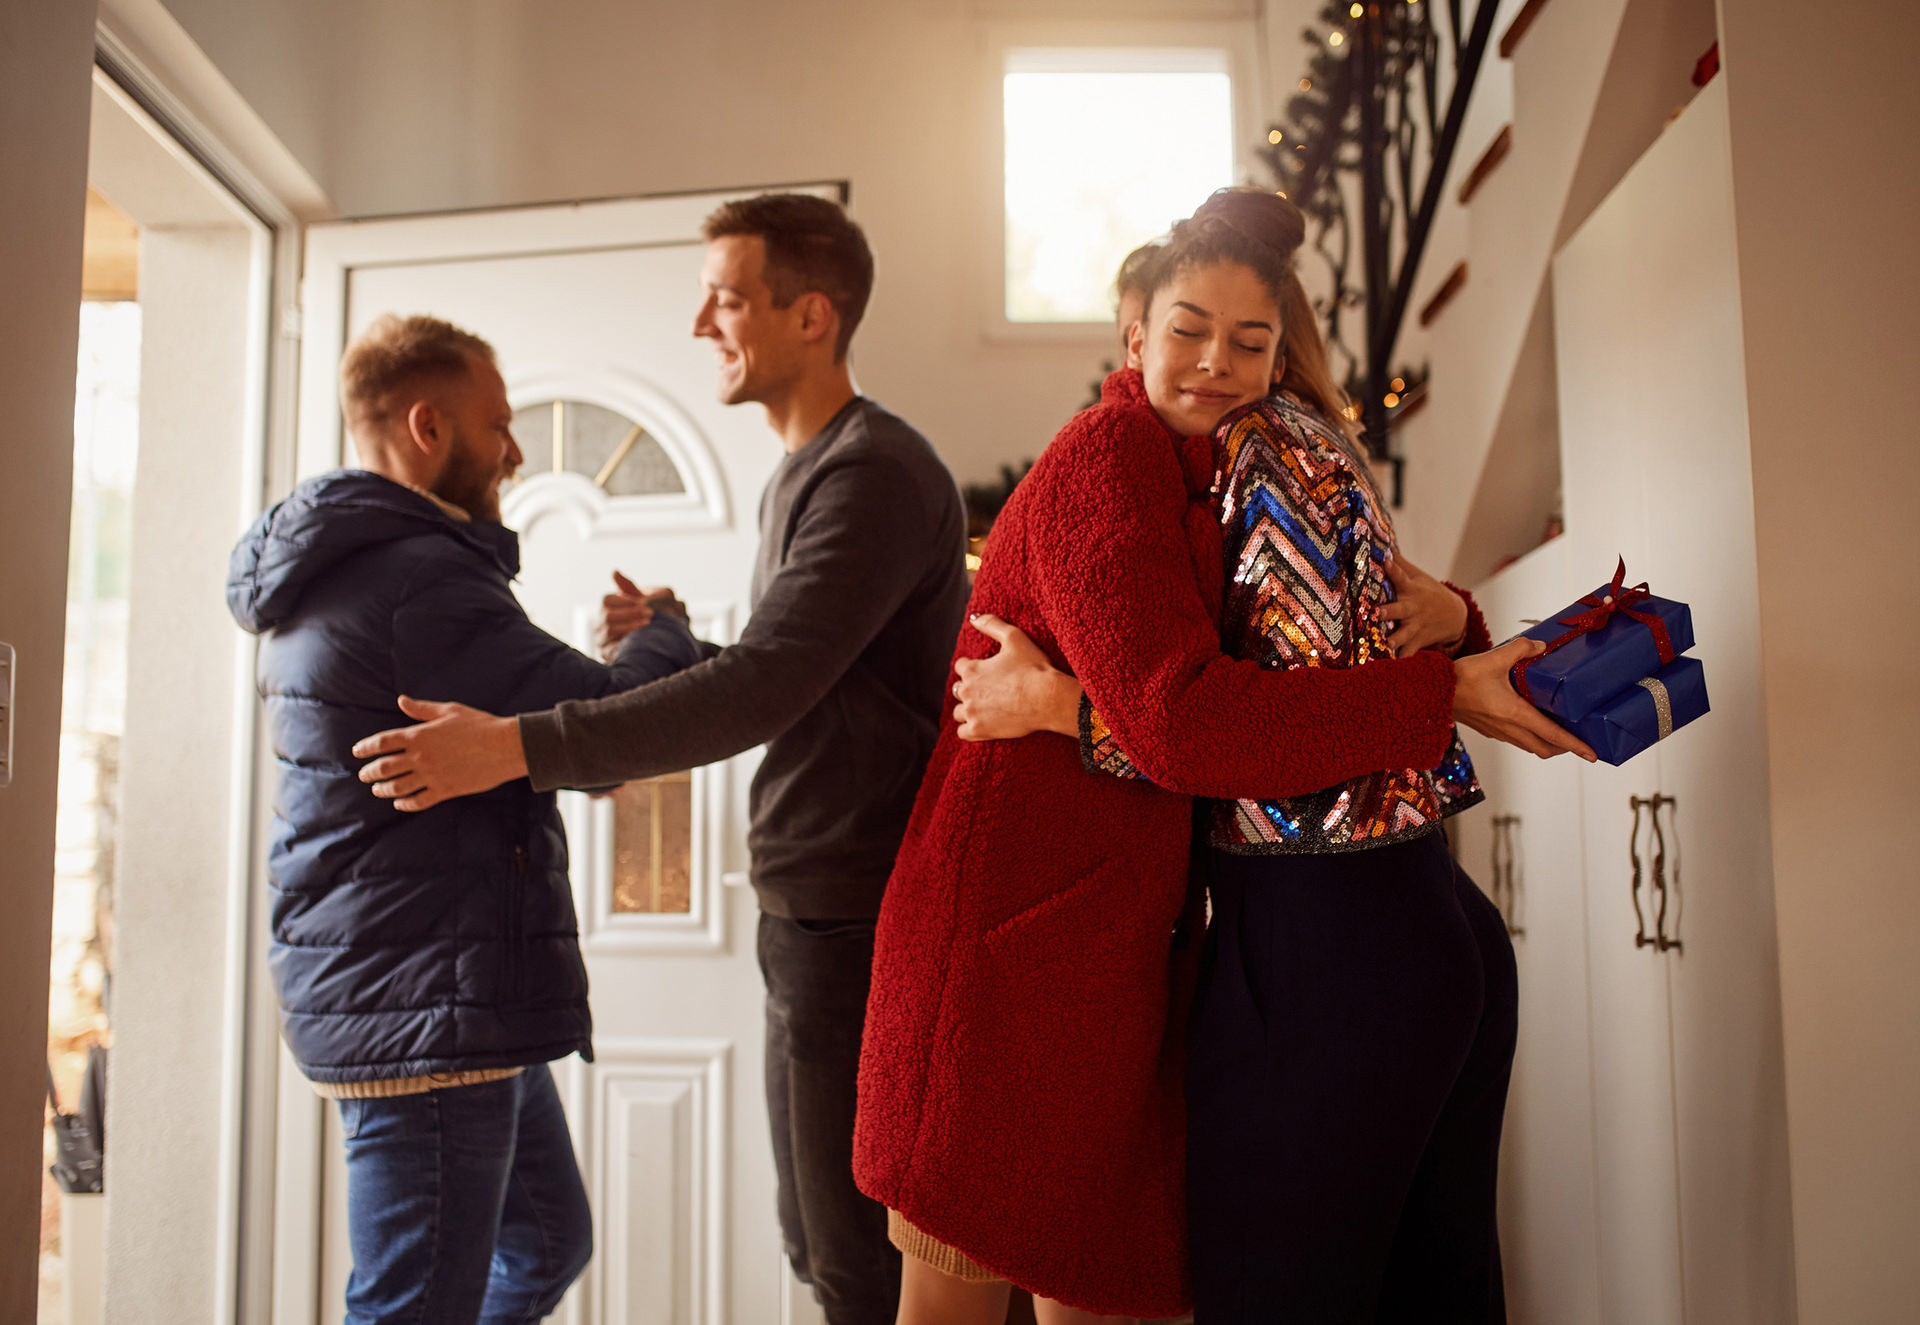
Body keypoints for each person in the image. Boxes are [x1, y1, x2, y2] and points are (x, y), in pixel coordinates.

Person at [850, 190, 1591, 1323]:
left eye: (1250, 341)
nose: (1214, 362)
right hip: (1009, 958)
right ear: (1134, 331)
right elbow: (1185, 722)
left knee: (1109, 1287)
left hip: (1121, 955)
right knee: (965, 1292)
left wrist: (1456, 627)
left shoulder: (1258, 464)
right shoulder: (1109, 455)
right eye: (1188, 329)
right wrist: (1442, 692)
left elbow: (1328, 638)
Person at [348, 194, 970, 1325]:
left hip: (866, 912)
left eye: (727, 297)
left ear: (813, 314)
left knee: (861, 1262)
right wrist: (688, 641)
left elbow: (768, 688)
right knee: (818, 1236)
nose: (700, 323)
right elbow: (819, 677)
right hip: (815, 909)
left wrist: (515, 748)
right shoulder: (806, 473)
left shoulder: (870, 471)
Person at [226, 314, 705, 1323]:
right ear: (427, 425)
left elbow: (548, 723)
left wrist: (601, 677)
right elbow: (613, 735)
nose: (518, 450)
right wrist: (663, 631)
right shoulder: (421, 578)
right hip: (428, 998)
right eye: (500, 424)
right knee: (413, 1305)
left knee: (545, 1240)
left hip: (429, 988)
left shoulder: (353, 565)